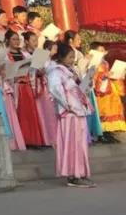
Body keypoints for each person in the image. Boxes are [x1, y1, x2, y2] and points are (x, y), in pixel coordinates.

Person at [46, 42, 95, 187]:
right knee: (72, 144)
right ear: (61, 57)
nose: (72, 60)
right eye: (70, 57)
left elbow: (79, 89)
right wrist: (68, 105)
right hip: (69, 113)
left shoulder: (70, 71)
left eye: (73, 57)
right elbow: (55, 90)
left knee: (80, 144)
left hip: (78, 110)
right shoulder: (56, 72)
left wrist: (87, 82)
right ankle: (73, 175)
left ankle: (80, 172)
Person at [7, 30, 46, 148]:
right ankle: (23, 139)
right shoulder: (6, 54)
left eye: (17, 39)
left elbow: (32, 70)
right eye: (13, 39)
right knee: (20, 113)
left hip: (26, 84)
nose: (16, 41)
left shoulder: (23, 54)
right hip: (16, 85)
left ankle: (32, 139)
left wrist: (38, 71)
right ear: (8, 40)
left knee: (30, 113)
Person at [0, 38, 24, 151]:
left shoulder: (4, 60)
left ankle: (11, 143)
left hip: (3, 87)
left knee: (7, 115)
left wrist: (5, 73)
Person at [92, 45, 126, 135]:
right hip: (101, 87)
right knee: (105, 106)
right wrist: (105, 75)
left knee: (115, 103)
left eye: (103, 50)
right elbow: (94, 76)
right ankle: (104, 126)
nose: (103, 52)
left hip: (108, 85)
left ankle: (115, 125)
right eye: (100, 50)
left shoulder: (105, 63)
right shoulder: (94, 62)